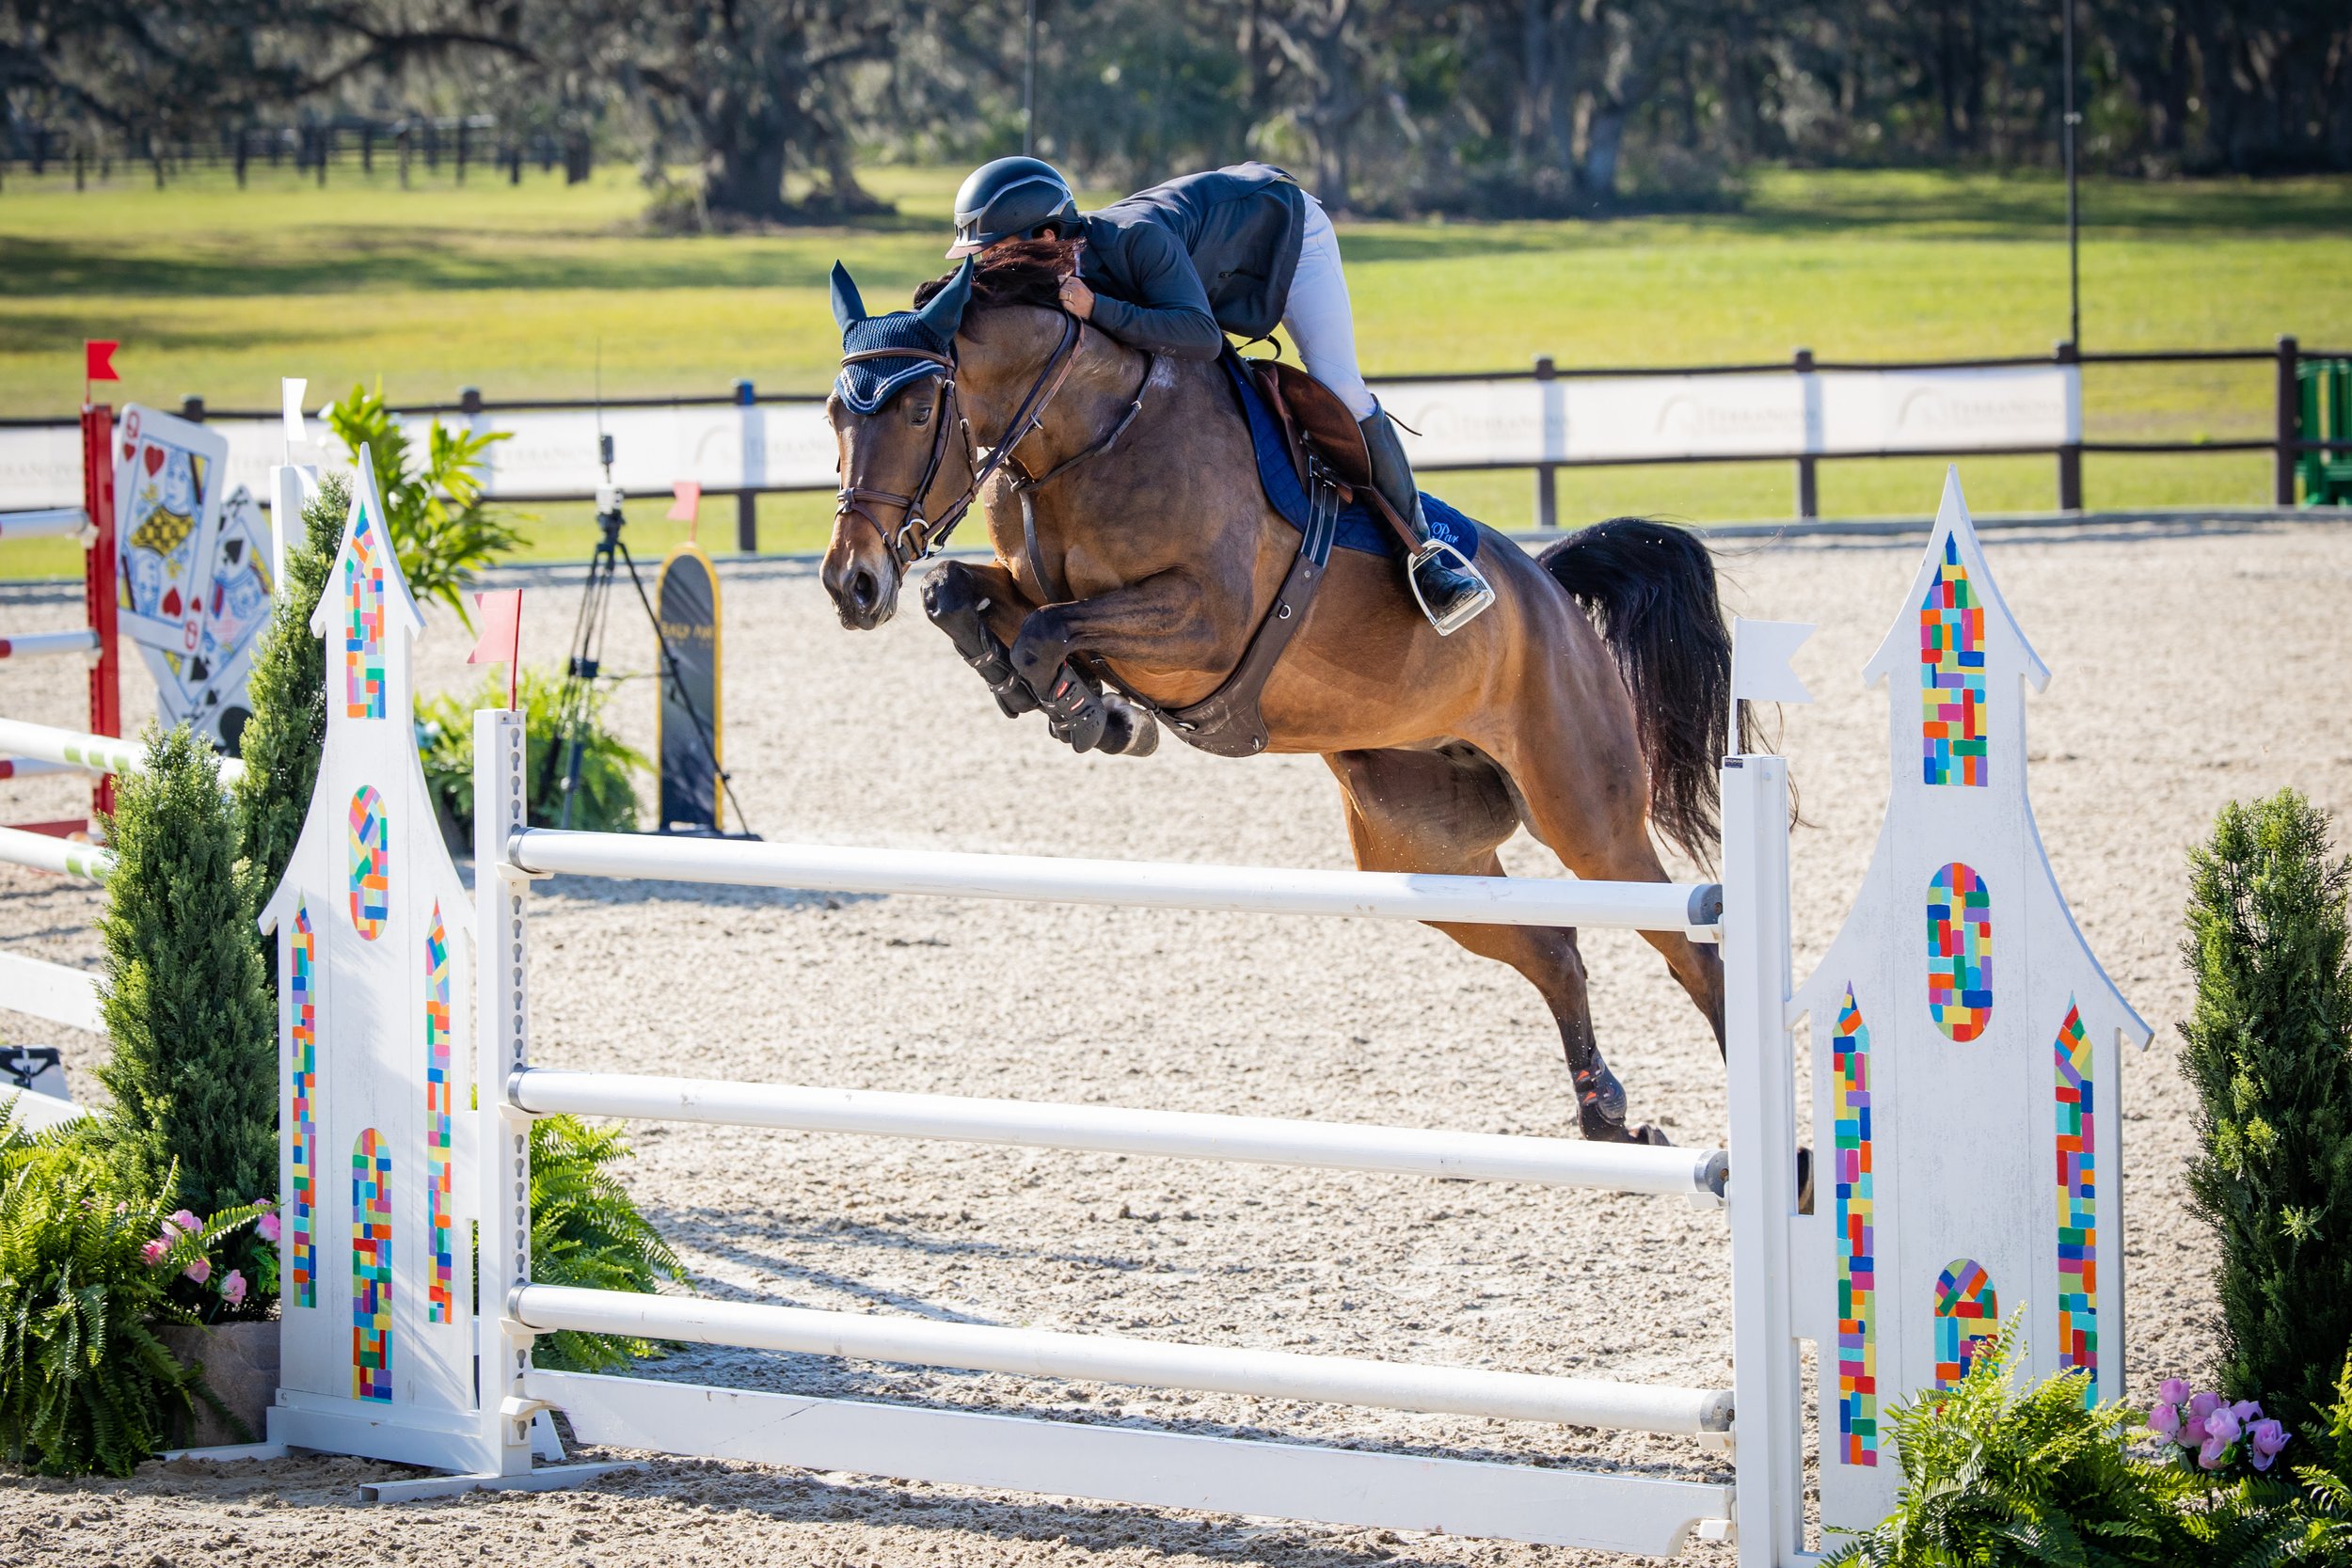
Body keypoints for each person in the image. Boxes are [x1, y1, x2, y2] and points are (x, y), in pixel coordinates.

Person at [946, 156, 1494, 635]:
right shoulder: (1054, 271)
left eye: (996, 253)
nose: (986, 269)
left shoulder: (1139, 238)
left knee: (1341, 388)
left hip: (1284, 237)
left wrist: (1098, 309)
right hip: (1211, 266)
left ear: (1045, 238)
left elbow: (1201, 338)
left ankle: (1424, 555)